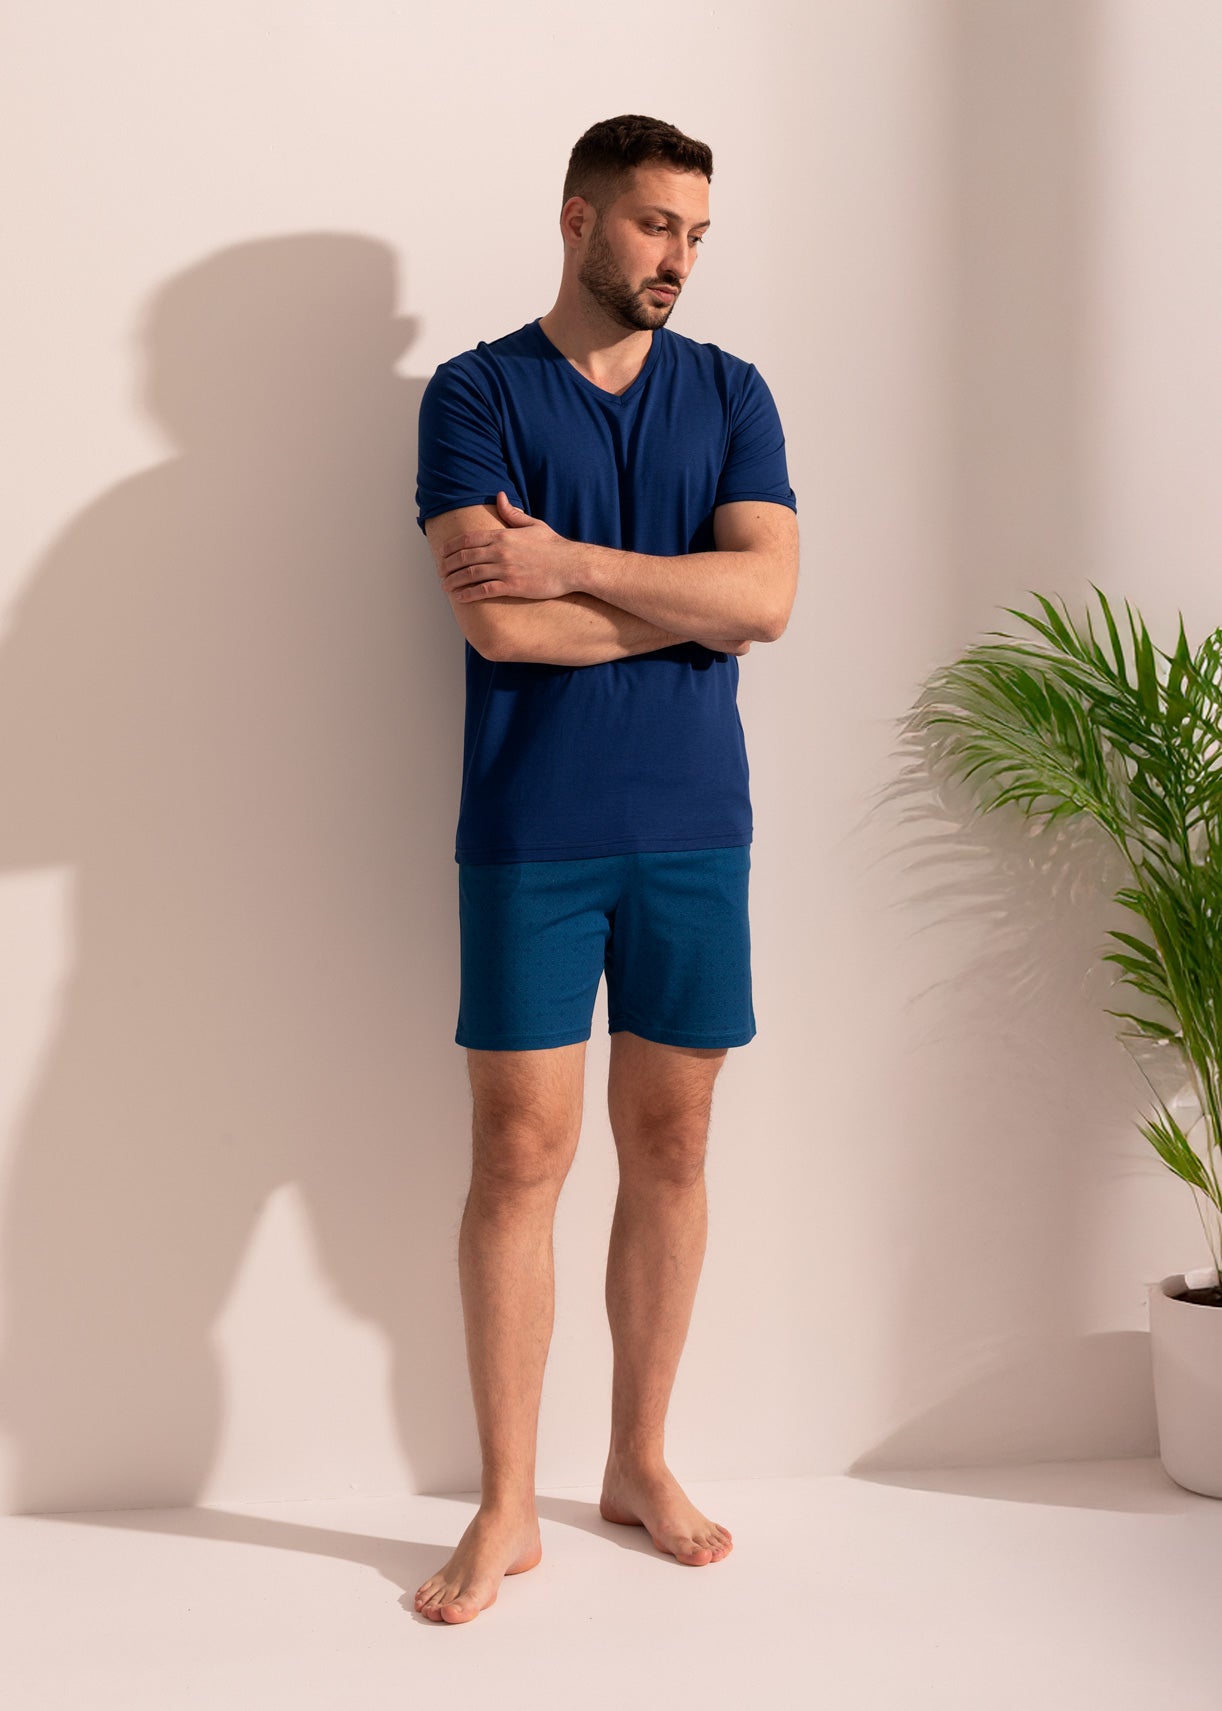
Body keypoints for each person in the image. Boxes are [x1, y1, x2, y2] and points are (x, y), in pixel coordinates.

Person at [413, 113, 799, 1624]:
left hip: (697, 824)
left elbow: (766, 601)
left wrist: (571, 560)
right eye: (653, 225)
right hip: (532, 830)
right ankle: (507, 1501)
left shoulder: (733, 393)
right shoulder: (475, 393)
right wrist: (686, 601)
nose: (678, 258)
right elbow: (496, 626)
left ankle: (637, 1459)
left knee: (676, 1147)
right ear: (577, 220)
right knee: (519, 1156)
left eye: (695, 234)